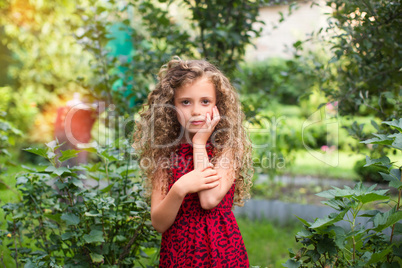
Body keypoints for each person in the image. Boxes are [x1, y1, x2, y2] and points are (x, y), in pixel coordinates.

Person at [133, 57, 253, 267]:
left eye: (205, 101)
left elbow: (208, 200)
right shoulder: (166, 155)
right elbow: (159, 223)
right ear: (171, 106)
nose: (196, 111)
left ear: (218, 106)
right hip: (179, 252)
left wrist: (199, 144)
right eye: (185, 102)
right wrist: (179, 189)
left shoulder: (227, 149)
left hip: (221, 250)